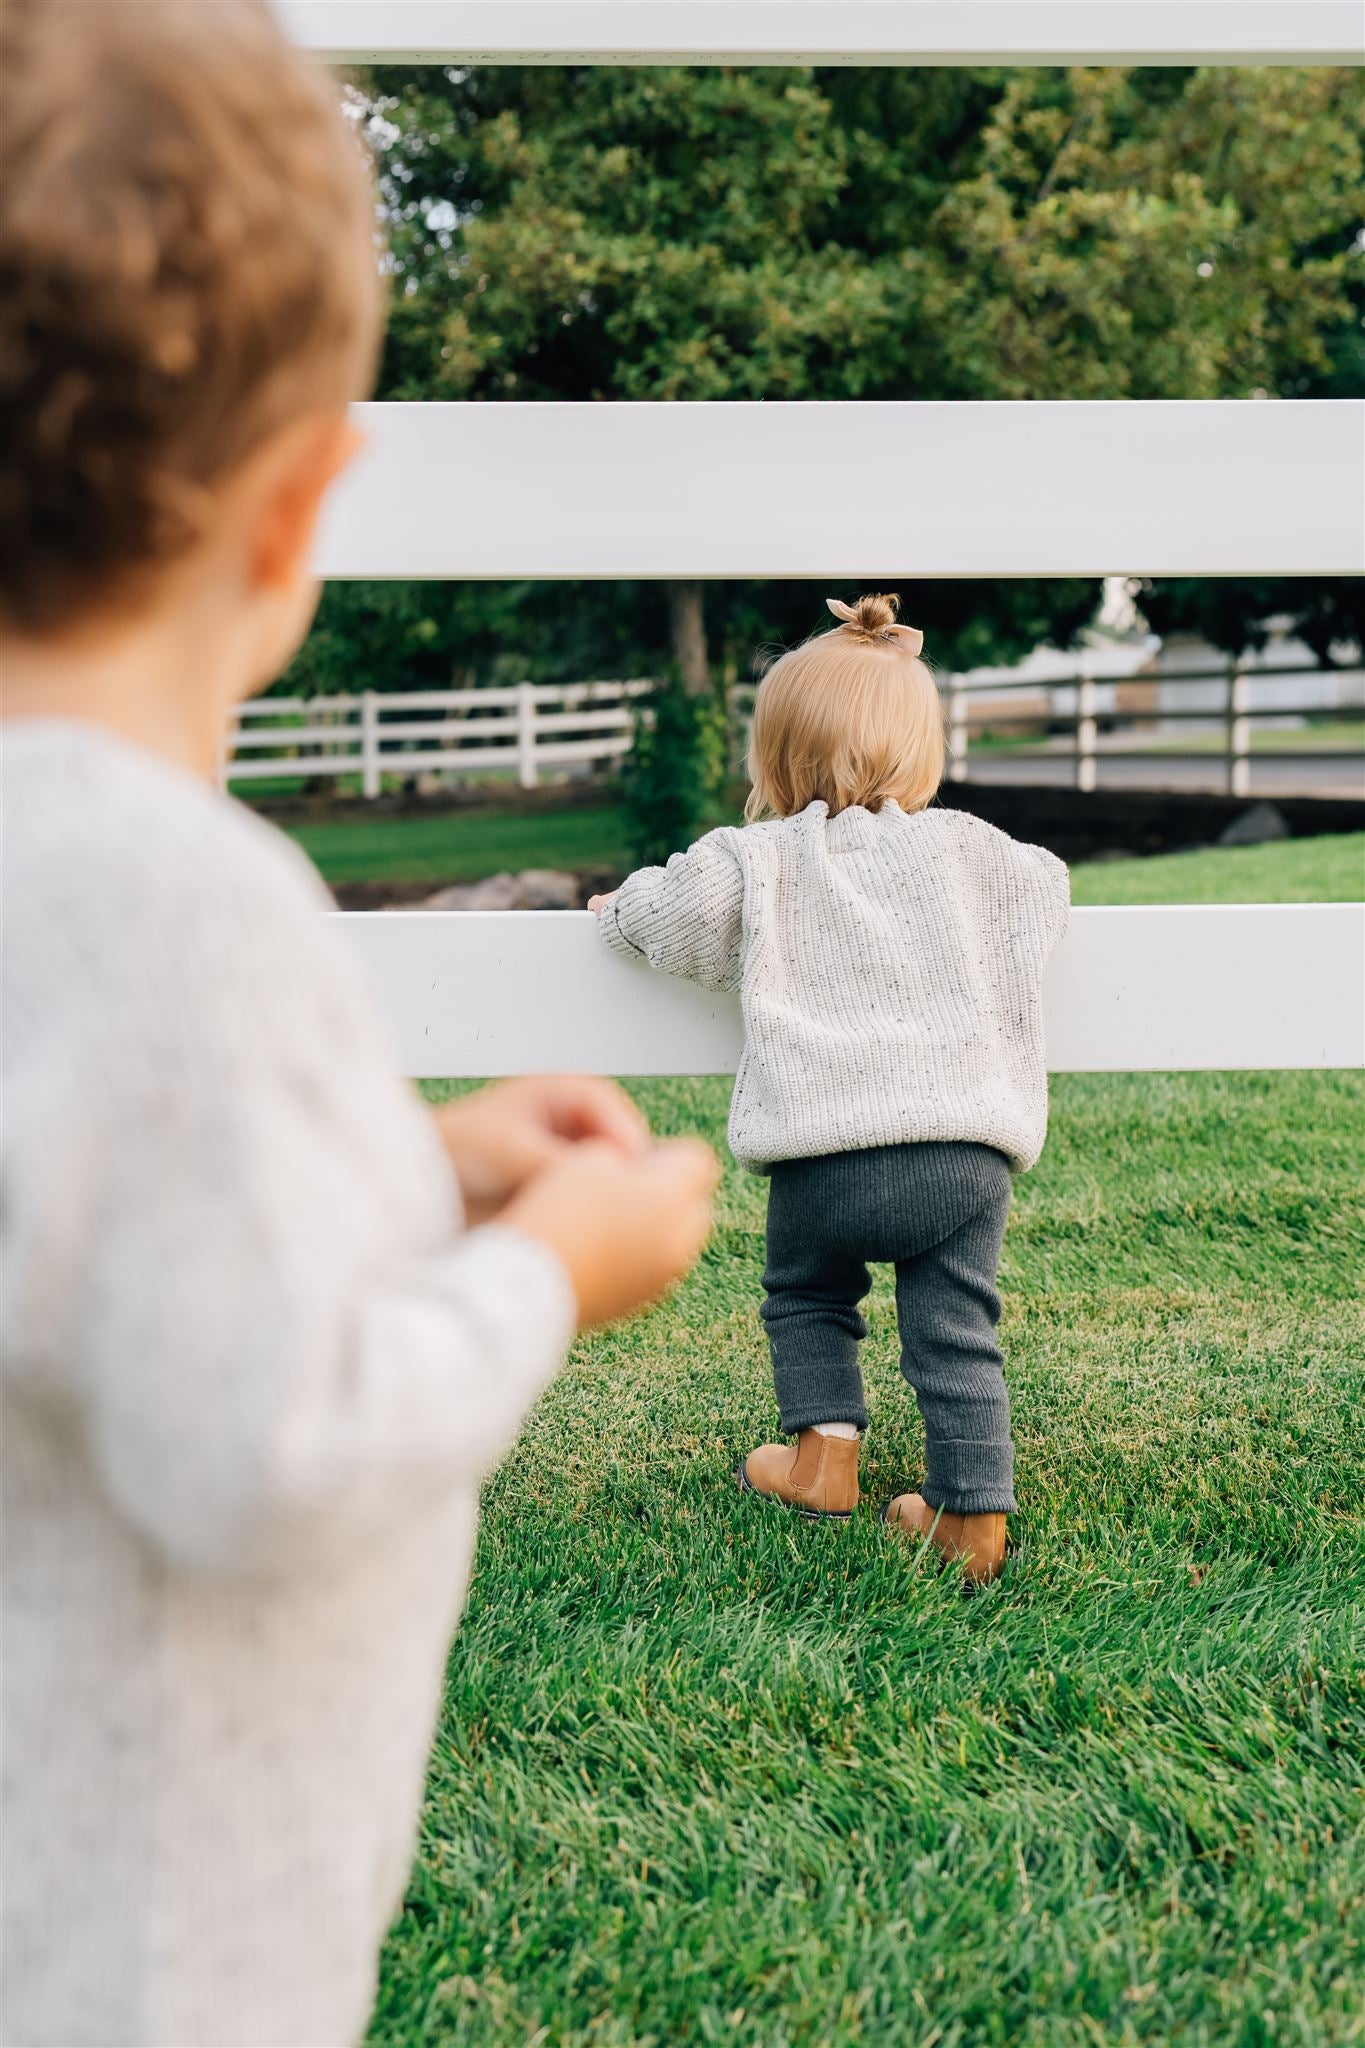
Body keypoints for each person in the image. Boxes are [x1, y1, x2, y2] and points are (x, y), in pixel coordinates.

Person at [0, 5, 718, 2043]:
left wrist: (408, 1167)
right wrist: (540, 1266)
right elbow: (268, 1442)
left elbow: (94, 1256)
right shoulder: (184, 906)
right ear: (299, 506)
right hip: (150, 1941)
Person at [591, 594, 1070, 1585]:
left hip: (827, 1153)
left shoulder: (757, 856)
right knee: (956, 1323)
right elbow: (1045, 889)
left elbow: (669, 914)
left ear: (775, 763)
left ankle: (820, 1457)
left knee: (809, 1295)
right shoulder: (976, 848)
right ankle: (972, 1513)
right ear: (922, 757)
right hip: (963, 1149)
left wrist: (617, 908)